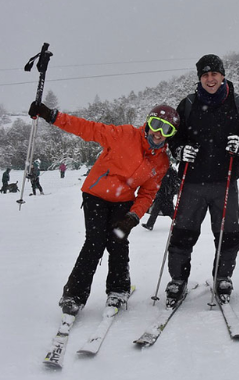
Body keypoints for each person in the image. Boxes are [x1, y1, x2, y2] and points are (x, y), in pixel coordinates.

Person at [28, 101, 178, 316]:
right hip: (95, 195)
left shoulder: (161, 161)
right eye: (156, 124)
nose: (158, 133)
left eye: (166, 129)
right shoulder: (125, 134)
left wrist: (133, 217)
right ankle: (74, 294)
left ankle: (118, 288)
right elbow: (87, 128)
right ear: (148, 122)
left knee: (118, 241)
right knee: (95, 242)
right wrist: (51, 115)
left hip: (123, 201)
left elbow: (147, 193)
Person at [165, 54, 239, 306]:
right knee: (183, 233)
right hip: (192, 183)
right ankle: (178, 279)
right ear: (200, 77)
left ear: (222, 75)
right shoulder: (186, 105)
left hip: (225, 182)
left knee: (227, 234)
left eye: (214, 74)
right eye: (205, 75)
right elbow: (172, 137)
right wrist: (179, 150)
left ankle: (223, 277)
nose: (210, 79)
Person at [141, 165, 179, 231]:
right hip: (162, 193)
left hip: (166, 194)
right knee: (156, 209)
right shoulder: (164, 170)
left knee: (169, 210)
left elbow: (172, 182)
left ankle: (178, 223)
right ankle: (149, 225)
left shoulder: (170, 171)